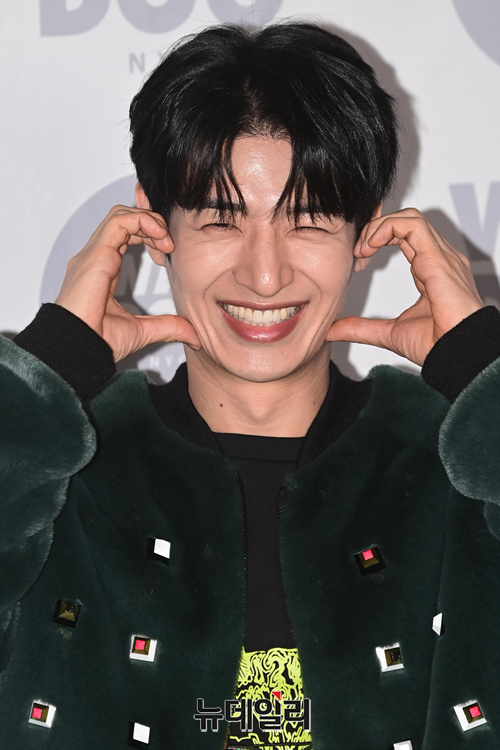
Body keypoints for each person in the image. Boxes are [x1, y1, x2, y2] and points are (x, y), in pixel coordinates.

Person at [1, 21, 500, 750]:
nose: (265, 275)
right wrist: (51, 364)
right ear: (155, 226)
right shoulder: (66, 475)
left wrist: (480, 367)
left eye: (308, 220)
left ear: (366, 234)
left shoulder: (450, 471)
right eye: (220, 220)